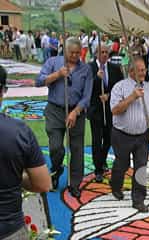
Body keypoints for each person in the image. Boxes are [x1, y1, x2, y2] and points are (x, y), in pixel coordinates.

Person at [36, 37, 93, 198]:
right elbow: (38, 81)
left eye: (78, 53)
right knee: (55, 147)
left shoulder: (86, 69)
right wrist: (57, 74)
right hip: (55, 110)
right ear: (65, 50)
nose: (75, 56)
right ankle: (56, 170)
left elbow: (87, 96)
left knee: (76, 149)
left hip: (77, 112)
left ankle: (75, 183)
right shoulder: (53, 62)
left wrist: (75, 112)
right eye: (72, 53)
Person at [0, 65, 51, 240]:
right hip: (9, 228)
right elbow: (43, 184)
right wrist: (17, 177)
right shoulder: (19, 132)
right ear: (3, 91)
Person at [110, 57, 149, 212]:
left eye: (144, 70)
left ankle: (138, 199)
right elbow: (115, 110)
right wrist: (132, 97)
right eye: (140, 70)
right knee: (122, 164)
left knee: (141, 167)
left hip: (142, 136)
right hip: (122, 134)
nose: (143, 73)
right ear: (131, 71)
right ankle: (116, 185)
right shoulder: (119, 87)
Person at [87, 43, 123, 182]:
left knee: (108, 138)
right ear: (96, 53)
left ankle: (101, 160)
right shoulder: (89, 68)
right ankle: (98, 170)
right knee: (97, 140)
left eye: (106, 52)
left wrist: (108, 95)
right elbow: (86, 88)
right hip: (96, 110)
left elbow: (120, 87)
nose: (104, 55)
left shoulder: (114, 68)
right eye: (101, 52)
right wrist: (97, 79)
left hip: (110, 109)